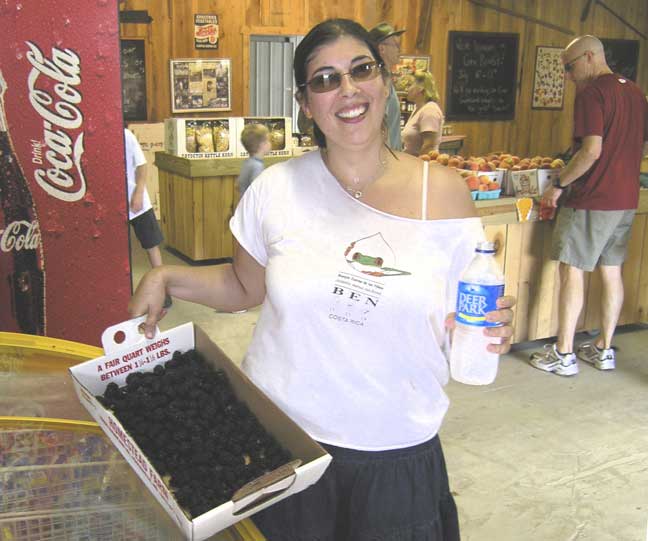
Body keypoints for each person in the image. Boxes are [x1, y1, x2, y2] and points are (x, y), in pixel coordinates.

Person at [129, 18, 515, 541]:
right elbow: (245, 287)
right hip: (283, 444)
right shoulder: (275, 189)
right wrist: (167, 276)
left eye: (361, 70)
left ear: (384, 81)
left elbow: (462, 316)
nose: (348, 90)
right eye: (325, 79)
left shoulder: (443, 193)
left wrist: (484, 329)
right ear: (306, 103)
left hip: (393, 448)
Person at [529, 35, 648, 376]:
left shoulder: (593, 93)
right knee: (612, 272)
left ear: (590, 57)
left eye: (569, 67)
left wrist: (559, 184)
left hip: (592, 198)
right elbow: (639, 148)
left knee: (572, 270)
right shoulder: (636, 93)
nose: (568, 76)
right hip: (626, 199)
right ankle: (603, 348)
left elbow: (591, 151)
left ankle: (564, 353)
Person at [123, 128, 171, 309]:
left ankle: (164, 291)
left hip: (136, 202)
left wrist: (138, 192)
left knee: (152, 246)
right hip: (111, 203)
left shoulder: (125, 135)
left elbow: (142, 165)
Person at [368, 21, 405, 151]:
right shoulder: (379, 81)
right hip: (385, 159)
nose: (400, 50)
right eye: (396, 45)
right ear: (382, 49)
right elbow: (380, 126)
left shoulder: (386, 79)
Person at [402, 70, 444, 156]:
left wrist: (417, 165)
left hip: (420, 166)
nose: (406, 89)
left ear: (421, 87)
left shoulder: (430, 110)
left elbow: (429, 146)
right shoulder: (417, 109)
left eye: (409, 85)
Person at [237, 123, 271, 196]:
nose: (270, 143)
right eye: (268, 140)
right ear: (262, 145)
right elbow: (257, 192)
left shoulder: (247, 163)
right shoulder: (257, 166)